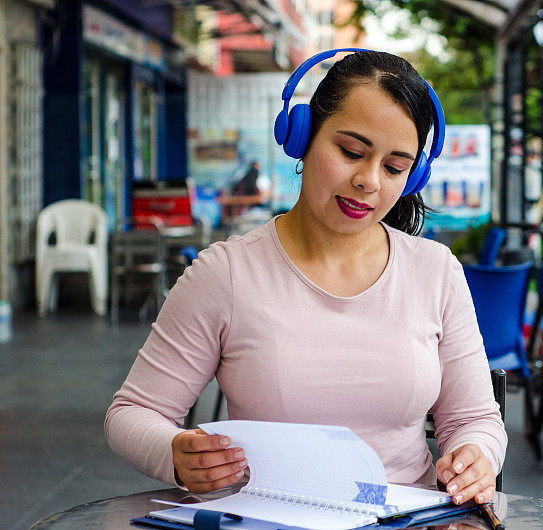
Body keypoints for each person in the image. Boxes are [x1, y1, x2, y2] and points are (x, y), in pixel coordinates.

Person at [105, 49, 506, 508]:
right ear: (301, 136)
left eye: (395, 168)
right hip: (268, 518)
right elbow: (133, 413)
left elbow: (475, 419)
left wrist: (476, 454)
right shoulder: (226, 273)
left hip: (402, 519)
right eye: (351, 152)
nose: (369, 181)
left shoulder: (436, 272)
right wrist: (173, 454)